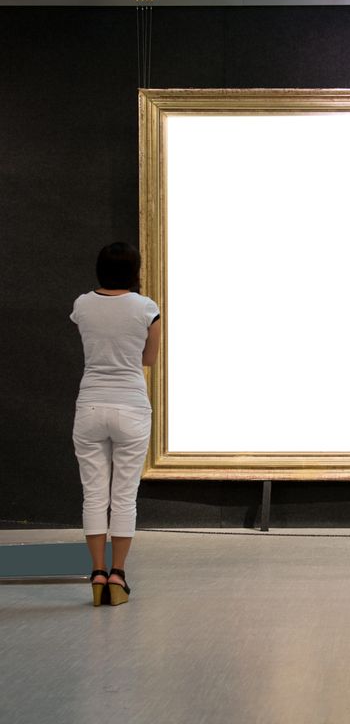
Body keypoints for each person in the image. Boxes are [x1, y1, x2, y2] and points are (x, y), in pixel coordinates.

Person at [70, 242, 161, 606]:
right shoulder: (147, 308)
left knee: (93, 493)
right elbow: (149, 359)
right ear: (135, 271)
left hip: (90, 404)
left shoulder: (82, 304)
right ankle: (118, 576)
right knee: (124, 494)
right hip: (131, 406)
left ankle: (96, 573)